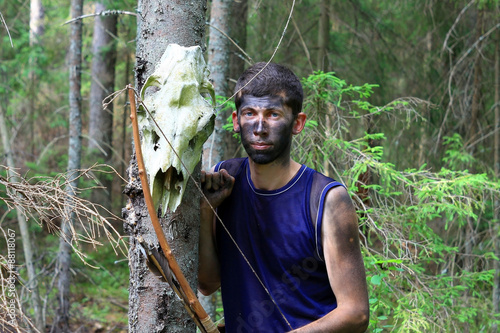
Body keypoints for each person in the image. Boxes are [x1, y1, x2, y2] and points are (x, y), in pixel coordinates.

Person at [198, 62, 369, 333]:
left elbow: (355, 313)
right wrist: (206, 210)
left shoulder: (325, 199)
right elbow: (207, 283)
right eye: (250, 113)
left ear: (297, 123)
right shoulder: (225, 180)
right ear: (235, 120)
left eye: (273, 114)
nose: (259, 127)